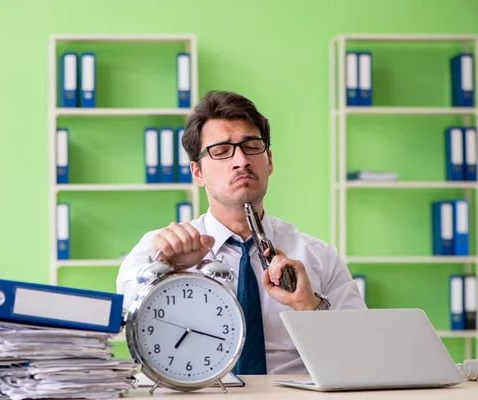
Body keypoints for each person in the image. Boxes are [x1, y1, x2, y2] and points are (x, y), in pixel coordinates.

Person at [116, 90, 367, 375]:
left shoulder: (318, 257)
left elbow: (361, 355)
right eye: (221, 151)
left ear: (269, 161)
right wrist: (165, 275)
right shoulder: (161, 248)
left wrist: (309, 306)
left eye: (251, 146)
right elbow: (126, 317)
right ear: (197, 173)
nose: (241, 160)